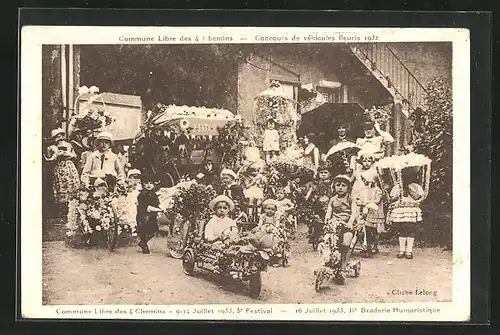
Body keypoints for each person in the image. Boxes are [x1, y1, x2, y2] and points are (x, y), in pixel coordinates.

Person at [324, 174, 358, 283]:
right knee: (328, 242)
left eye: (343, 185)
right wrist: (327, 219)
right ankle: (330, 263)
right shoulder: (333, 199)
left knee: (346, 244)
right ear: (334, 186)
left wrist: (350, 222)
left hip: (347, 226)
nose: (340, 187)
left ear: (348, 187)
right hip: (335, 225)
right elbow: (329, 211)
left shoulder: (351, 199)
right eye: (338, 185)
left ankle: (343, 268)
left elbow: (354, 213)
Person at [388, 171, 425, 260]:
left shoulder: (416, 187)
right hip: (400, 211)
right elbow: (391, 199)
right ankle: (401, 250)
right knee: (402, 230)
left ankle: (409, 251)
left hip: (411, 210)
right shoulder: (397, 187)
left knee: (411, 229)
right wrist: (400, 192)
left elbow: (417, 197)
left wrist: (408, 188)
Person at [44, 128, 80, 215]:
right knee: (60, 187)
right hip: (59, 168)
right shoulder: (51, 148)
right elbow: (48, 161)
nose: (59, 137)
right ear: (54, 138)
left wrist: (69, 154)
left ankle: (72, 208)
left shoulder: (69, 145)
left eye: (61, 135)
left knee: (71, 186)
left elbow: (75, 156)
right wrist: (56, 156)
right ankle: (62, 210)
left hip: (69, 167)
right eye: (57, 136)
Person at [355, 169, 385, 256]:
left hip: (374, 212)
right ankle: (368, 247)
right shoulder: (366, 190)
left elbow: (377, 200)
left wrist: (366, 202)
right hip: (367, 212)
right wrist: (359, 201)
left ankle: (375, 246)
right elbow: (361, 198)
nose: (364, 182)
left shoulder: (377, 190)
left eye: (365, 180)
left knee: (374, 231)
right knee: (367, 230)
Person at [136, 175, 162, 254]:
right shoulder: (142, 194)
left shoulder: (153, 193)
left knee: (153, 232)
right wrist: (158, 209)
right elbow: (146, 206)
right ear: (143, 184)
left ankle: (143, 242)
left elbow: (157, 203)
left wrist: (160, 208)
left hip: (152, 215)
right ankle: (144, 244)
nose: (149, 185)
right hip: (143, 214)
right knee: (144, 229)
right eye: (146, 183)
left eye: (151, 183)